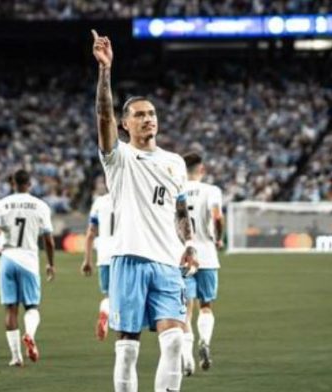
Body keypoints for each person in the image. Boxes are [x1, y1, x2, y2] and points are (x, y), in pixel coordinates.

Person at [92, 29, 199, 392]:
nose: (148, 119)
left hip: (168, 262)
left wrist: (190, 244)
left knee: (173, 340)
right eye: (139, 115)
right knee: (127, 350)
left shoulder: (175, 163)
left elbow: (180, 210)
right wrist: (106, 72)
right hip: (129, 259)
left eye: (151, 113)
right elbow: (103, 116)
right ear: (126, 124)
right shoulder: (119, 157)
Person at [0, 169, 55, 367]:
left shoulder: (1, 204)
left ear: (12, 183)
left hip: (7, 258)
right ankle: (30, 334)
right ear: (30, 184)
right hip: (29, 260)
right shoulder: (40, 205)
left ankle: (16, 357)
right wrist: (50, 264)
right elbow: (48, 240)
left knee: (10, 310)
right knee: (32, 307)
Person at [180, 152, 224, 376]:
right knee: (205, 306)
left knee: (185, 311)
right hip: (207, 255)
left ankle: (186, 359)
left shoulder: (175, 189)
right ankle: (204, 342)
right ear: (202, 169)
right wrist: (219, 238)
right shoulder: (212, 191)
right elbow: (217, 217)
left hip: (183, 257)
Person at [80, 191, 114, 340]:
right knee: (124, 297)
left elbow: (90, 233)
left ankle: (105, 313)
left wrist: (87, 260)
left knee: (108, 295)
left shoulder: (99, 202)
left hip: (104, 255)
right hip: (124, 254)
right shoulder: (129, 197)